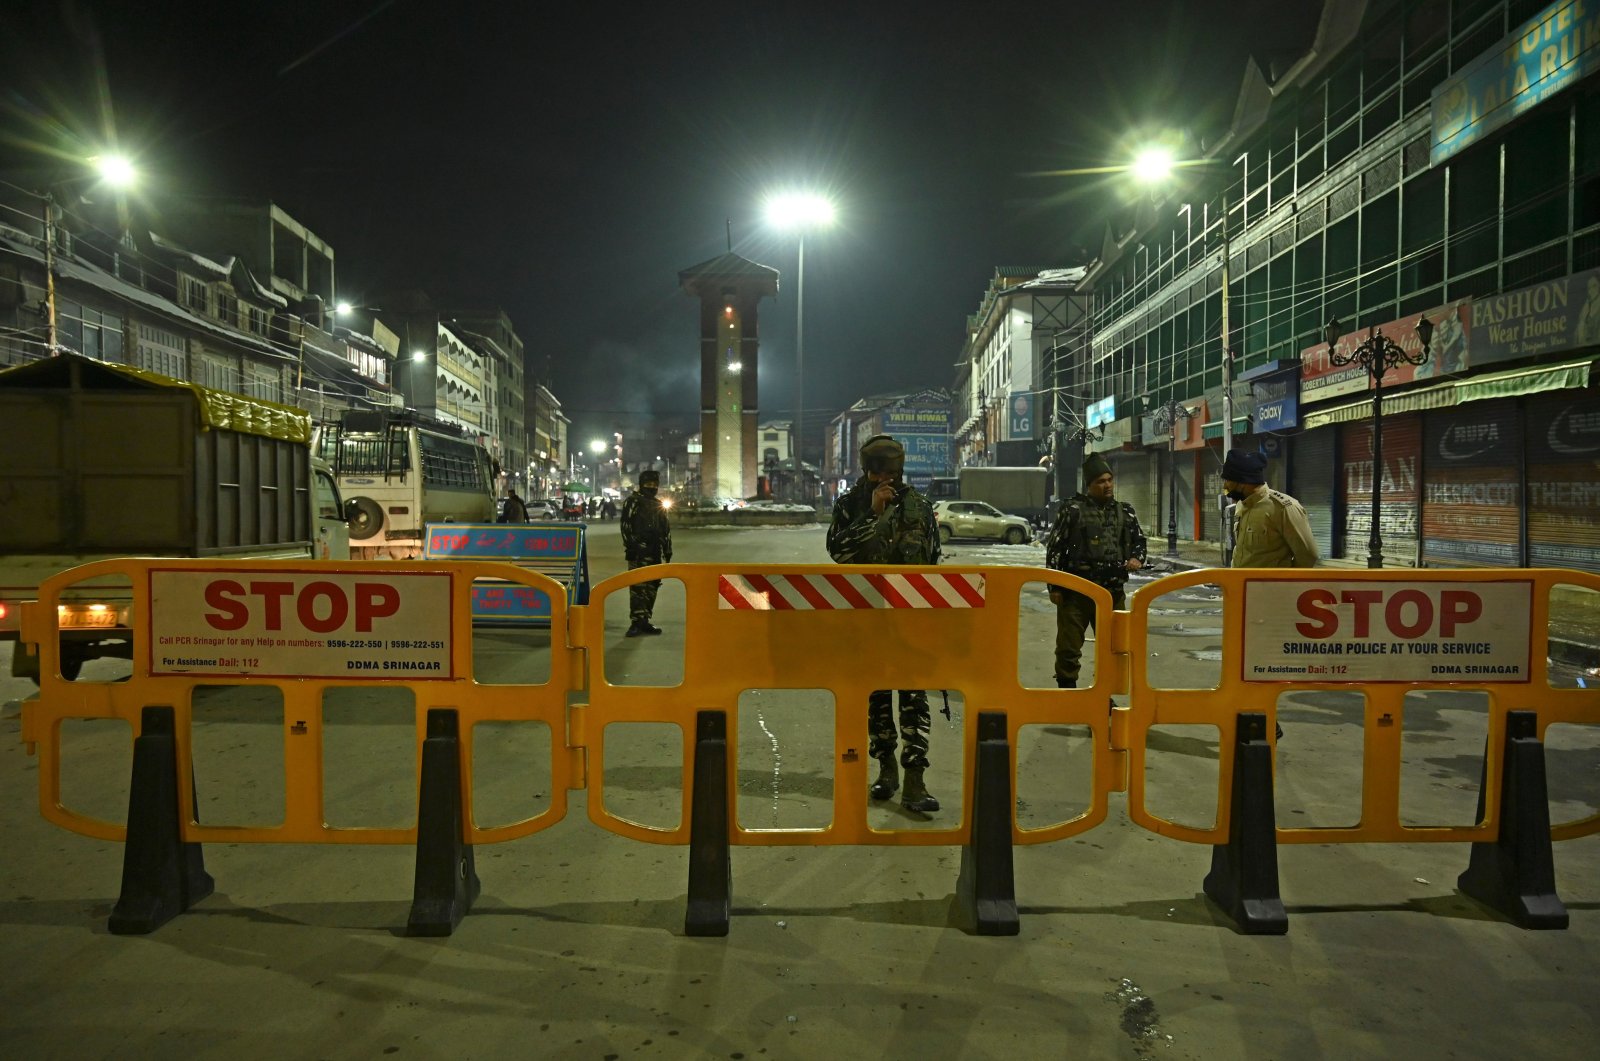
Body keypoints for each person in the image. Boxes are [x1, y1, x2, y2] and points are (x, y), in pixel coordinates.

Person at [826, 434, 942, 814]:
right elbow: (839, 553)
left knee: (914, 701)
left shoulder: (920, 506)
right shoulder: (849, 505)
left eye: (891, 473)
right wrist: (873, 516)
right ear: (866, 471)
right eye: (877, 473)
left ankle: (915, 781)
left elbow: (934, 560)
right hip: (867, 623)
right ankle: (886, 769)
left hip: (911, 624)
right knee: (877, 700)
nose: (885, 480)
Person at [1043, 454, 1147, 689]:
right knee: (1069, 647)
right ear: (1089, 485)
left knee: (1113, 646)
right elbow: (1056, 548)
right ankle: (1067, 692)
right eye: (1100, 481)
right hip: (1076, 593)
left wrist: (1136, 558)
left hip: (1112, 593)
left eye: (1109, 479)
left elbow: (1140, 542)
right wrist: (1055, 587)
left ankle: (1105, 694)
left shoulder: (1125, 511)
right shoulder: (1072, 510)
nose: (1107, 485)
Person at [1222, 448, 1318, 570]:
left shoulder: (1283, 508)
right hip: (1240, 586)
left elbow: (1308, 555)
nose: (1225, 486)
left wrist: (1281, 582)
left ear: (1243, 483)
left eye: (1228, 480)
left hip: (1269, 588)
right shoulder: (1242, 505)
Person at [620, 469, 673, 637]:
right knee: (638, 587)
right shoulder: (632, 502)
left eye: (655, 485)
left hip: (655, 552)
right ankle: (636, 622)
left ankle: (645, 620)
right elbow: (625, 526)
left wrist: (667, 548)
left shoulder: (658, 504)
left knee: (652, 586)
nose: (652, 487)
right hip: (638, 552)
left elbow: (666, 529)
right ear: (641, 485)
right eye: (648, 484)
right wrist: (631, 546)